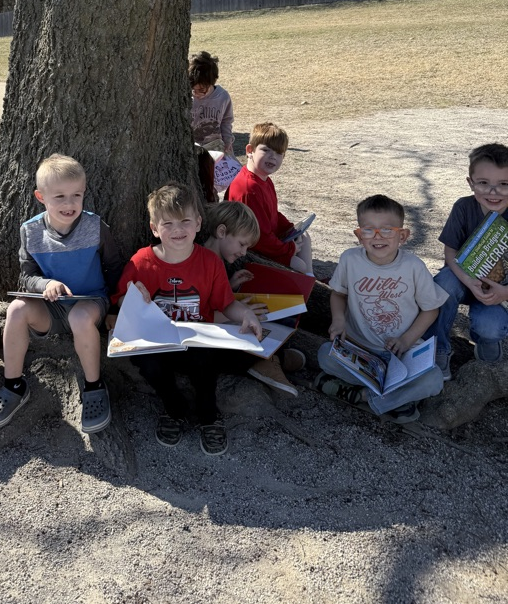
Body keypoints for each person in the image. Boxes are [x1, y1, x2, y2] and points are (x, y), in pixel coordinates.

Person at [112, 182, 263, 456]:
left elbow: (226, 304)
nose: (177, 229)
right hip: (156, 341)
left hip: (196, 341)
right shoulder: (141, 261)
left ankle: (209, 415)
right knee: (148, 363)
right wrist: (132, 297)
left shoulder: (210, 263)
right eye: (167, 223)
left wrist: (246, 314)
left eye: (185, 221)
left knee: (206, 362)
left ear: (198, 223)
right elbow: (120, 300)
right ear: (154, 228)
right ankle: (174, 409)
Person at [0, 154, 122, 435]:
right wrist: (45, 285)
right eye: (60, 197)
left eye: (76, 195)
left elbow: (115, 267)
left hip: (90, 301)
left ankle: (94, 386)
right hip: (52, 305)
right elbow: (26, 276)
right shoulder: (30, 230)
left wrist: (116, 308)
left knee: (80, 318)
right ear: (41, 197)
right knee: (16, 309)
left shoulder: (95, 226)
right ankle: (13, 384)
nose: (69, 204)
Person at [315, 194, 446, 423]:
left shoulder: (414, 266)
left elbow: (431, 309)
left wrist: (405, 340)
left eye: (387, 230)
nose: (378, 237)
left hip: (402, 353)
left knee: (434, 379)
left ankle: (363, 396)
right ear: (359, 235)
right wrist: (338, 320)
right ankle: (398, 400)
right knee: (325, 355)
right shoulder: (349, 260)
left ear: (402, 235)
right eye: (368, 230)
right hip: (360, 348)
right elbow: (338, 294)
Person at [203, 201, 306, 396]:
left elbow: (213, 296)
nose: (243, 252)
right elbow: (201, 314)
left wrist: (231, 285)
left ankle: (274, 357)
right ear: (222, 232)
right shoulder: (203, 263)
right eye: (242, 244)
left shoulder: (216, 260)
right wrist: (240, 313)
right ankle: (266, 362)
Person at [428, 143, 508, 377]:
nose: (493, 192)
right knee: (442, 285)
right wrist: (468, 280)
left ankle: (485, 339)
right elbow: (450, 252)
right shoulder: (463, 207)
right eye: (483, 183)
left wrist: (505, 293)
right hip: (460, 279)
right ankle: (438, 349)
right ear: (470, 183)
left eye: (504, 184)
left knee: (491, 327)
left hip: (495, 292)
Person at [225, 121, 313, 274]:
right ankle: (306, 281)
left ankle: (311, 278)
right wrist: (288, 249)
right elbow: (258, 238)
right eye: (266, 150)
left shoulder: (265, 180)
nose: (273, 157)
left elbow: (273, 214)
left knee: (303, 237)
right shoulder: (248, 188)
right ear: (250, 150)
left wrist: (290, 229)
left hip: (267, 241)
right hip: (250, 250)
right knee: (299, 265)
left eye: (279, 153)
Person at [189, 51, 234, 155]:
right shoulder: (186, 97)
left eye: (201, 90)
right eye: (193, 89)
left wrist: (227, 141)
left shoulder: (222, 97)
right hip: (193, 150)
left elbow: (226, 121)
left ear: (211, 82)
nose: (196, 94)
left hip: (216, 149)